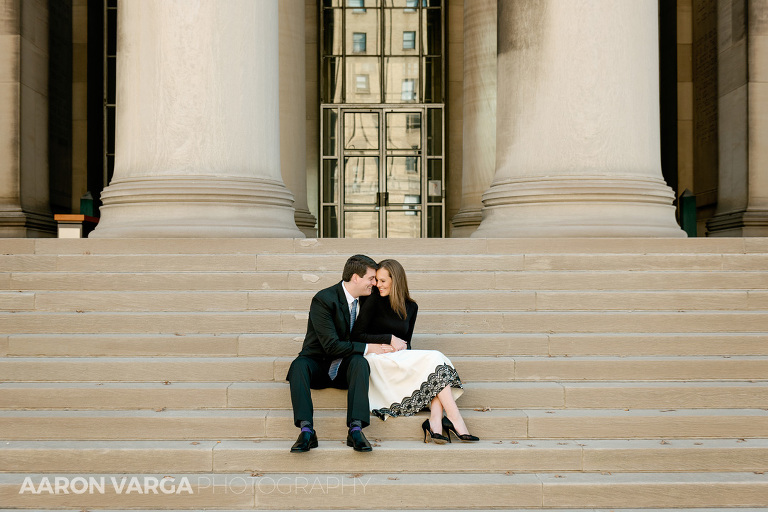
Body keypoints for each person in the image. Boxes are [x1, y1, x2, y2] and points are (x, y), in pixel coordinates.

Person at [351, 259, 479, 444]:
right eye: (376, 280)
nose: (377, 285)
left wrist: (399, 346)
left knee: (436, 359)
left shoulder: (411, 307)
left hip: (398, 356)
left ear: (396, 281)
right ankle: (453, 418)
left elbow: (406, 344)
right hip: (377, 358)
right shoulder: (373, 300)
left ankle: (435, 420)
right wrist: (387, 340)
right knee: (436, 358)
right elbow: (356, 335)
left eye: (382, 281)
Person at [285, 254, 396, 453]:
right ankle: (307, 431)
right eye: (371, 278)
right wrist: (369, 347)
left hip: (347, 367)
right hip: (317, 363)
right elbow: (331, 346)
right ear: (355, 277)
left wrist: (390, 339)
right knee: (298, 366)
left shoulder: (370, 299)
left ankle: (355, 429)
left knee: (360, 363)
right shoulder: (324, 299)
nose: (374, 283)